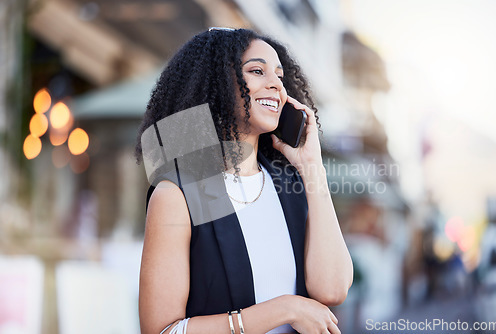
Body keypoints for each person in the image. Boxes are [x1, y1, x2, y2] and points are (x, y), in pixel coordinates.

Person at [135, 28, 353, 334]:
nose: (276, 85)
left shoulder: (290, 187)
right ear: (218, 83)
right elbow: (162, 330)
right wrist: (283, 309)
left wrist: (311, 166)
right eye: (256, 71)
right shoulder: (180, 195)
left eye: (279, 76)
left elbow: (333, 290)